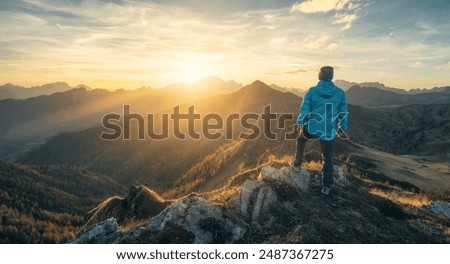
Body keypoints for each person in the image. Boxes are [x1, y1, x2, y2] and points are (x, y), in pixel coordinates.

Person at [291, 66, 348, 196]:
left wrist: (301, 123)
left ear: (320, 76)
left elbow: (305, 109)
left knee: (301, 140)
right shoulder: (340, 93)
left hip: (312, 126)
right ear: (331, 76)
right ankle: (326, 186)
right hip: (329, 129)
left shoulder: (312, 91)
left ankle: (297, 164)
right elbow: (343, 112)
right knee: (327, 156)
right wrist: (342, 128)